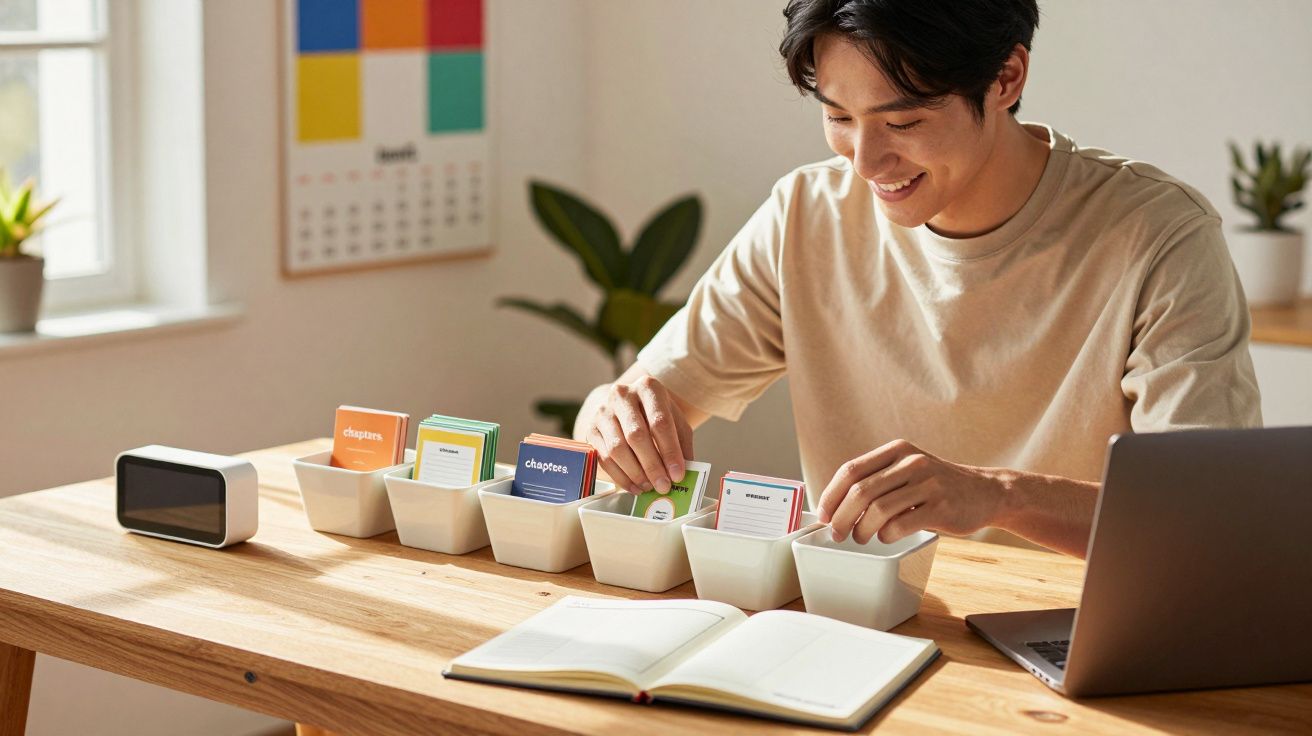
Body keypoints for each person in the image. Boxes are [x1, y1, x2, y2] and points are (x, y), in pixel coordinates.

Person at [572, 0, 1261, 558]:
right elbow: (641, 408)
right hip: (870, 617)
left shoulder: (1158, 236)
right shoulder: (806, 217)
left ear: (1006, 79)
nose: (867, 160)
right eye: (839, 117)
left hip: (1073, 632)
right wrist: (612, 418)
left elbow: (1209, 516)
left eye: (904, 120)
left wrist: (998, 496)